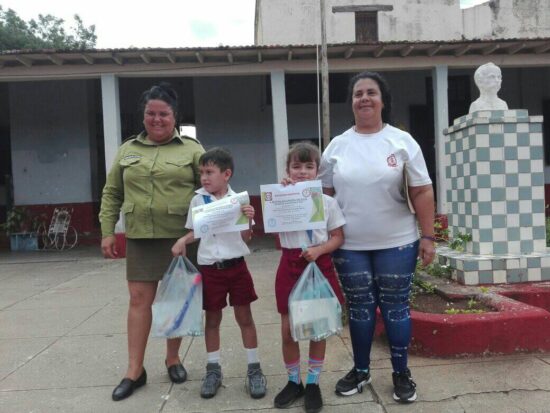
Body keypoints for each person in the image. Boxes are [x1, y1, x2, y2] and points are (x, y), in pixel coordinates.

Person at [318, 71, 436, 403]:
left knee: (396, 309)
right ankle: (360, 369)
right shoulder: (337, 146)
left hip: (398, 242)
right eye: (358, 93)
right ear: (351, 102)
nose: (365, 98)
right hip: (350, 246)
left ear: (383, 100)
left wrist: (428, 237)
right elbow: (323, 196)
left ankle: (401, 373)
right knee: (359, 309)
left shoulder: (402, 141)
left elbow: (423, 191)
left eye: (371, 92)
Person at [99, 83, 204, 401]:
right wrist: (107, 230)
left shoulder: (192, 149)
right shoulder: (128, 149)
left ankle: (173, 358)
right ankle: (134, 370)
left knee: (175, 301)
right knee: (138, 301)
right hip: (141, 237)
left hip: (181, 238)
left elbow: (211, 190)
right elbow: (112, 191)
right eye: (150, 113)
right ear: (142, 116)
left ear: (175, 117)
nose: (156, 119)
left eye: (164, 114)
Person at [171, 147, 267, 400]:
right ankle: (213, 369)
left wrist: (248, 219)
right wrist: (182, 240)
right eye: (201, 172)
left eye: (209, 172)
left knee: (245, 317)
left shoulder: (239, 200)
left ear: (226, 174)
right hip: (210, 269)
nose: (204, 177)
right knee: (212, 320)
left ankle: (254, 368)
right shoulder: (198, 200)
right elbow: (196, 231)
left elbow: (246, 237)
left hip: (236, 267)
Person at [273, 142, 346, 413]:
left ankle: (313, 383)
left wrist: (319, 250)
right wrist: (280, 195)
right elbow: (272, 231)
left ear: (317, 171)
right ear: (288, 170)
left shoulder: (327, 202)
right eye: (296, 166)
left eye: (308, 166)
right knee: (288, 330)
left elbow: (338, 237)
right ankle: (294, 381)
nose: (302, 172)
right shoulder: (281, 196)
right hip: (289, 265)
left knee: (317, 328)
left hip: (318, 264)